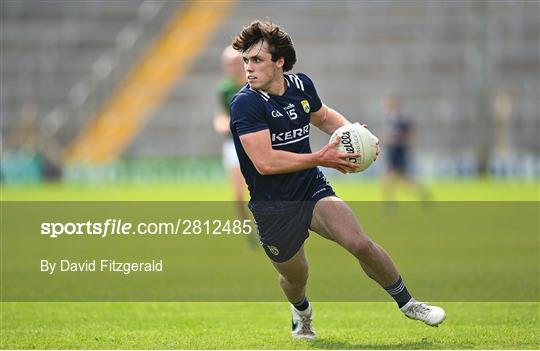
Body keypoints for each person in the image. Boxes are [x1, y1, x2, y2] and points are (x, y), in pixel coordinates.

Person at [229, 20, 445, 340]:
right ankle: (301, 311)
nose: (248, 67)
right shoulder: (245, 103)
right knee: (296, 276)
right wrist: (322, 157)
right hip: (273, 205)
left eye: (257, 60)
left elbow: (324, 117)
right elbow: (265, 162)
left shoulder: (301, 86)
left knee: (359, 242)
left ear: (280, 62)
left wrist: (355, 135)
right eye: (246, 60)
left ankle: (409, 302)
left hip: (310, 187)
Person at [213, 46, 258, 247]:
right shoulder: (225, 90)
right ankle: (249, 234)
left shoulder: (255, 86)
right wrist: (221, 123)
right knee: (238, 194)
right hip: (234, 144)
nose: (233, 68)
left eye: (235, 63)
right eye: (229, 64)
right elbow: (222, 115)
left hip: (257, 142)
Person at [381, 96, 431, 202]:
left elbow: (410, 136)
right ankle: (390, 202)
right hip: (392, 153)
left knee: (404, 183)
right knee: (387, 179)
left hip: (399, 153)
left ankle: (422, 193)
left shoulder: (403, 120)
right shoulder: (390, 119)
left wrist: (397, 139)